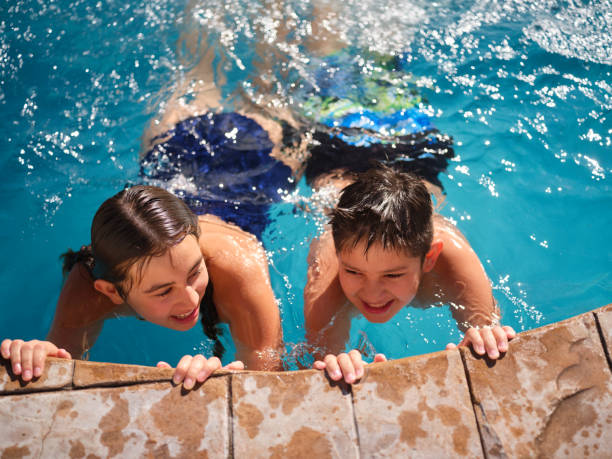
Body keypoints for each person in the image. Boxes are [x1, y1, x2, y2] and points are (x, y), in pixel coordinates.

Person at [1, 185, 283, 389]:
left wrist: (227, 376)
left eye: (195, 271)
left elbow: (269, 382)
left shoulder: (237, 268)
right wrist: (41, 356)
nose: (190, 300)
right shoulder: (88, 291)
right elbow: (63, 362)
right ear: (111, 291)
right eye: (163, 291)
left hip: (249, 191)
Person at [304, 164, 516, 384]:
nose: (372, 294)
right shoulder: (328, 274)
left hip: (417, 159)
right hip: (336, 163)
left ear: (429, 258)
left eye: (392, 275)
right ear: (339, 256)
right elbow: (315, 363)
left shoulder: (452, 261)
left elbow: (486, 329)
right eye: (353, 271)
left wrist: (483, 338)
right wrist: (338, 365)